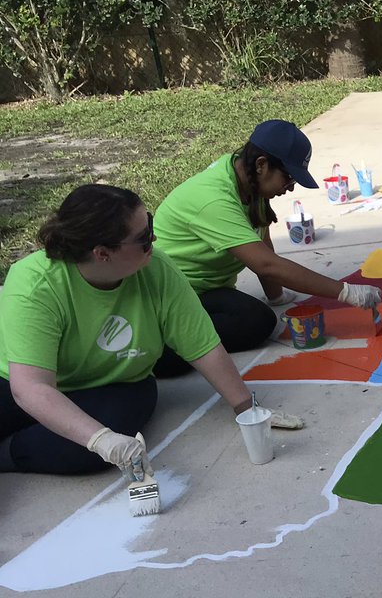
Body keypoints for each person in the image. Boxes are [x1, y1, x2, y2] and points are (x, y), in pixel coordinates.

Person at [0, 184, 287, 475]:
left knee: (88, 450)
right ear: (102, 253)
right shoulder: (35, 284)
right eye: (143, 238)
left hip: (117, 383)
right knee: (89, 437)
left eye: (149, 225)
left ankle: (9, 453)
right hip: (20, 384)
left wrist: (246, 408)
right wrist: (100, 439)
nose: (154, 239)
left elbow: (202, 345)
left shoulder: (156, 268)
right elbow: (31, 387)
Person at [151, 119, 382, 375]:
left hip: (204, 290)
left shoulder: (247, 180)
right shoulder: (213, 199)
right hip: (168, 295)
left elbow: (262, 239)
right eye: (289, 177)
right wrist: (345, 292)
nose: (290, 188)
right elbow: (266, 264)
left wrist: (276, 297)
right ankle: (159, 348)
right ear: (262, 164)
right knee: (254, 324)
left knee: (255, 319)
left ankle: (184, 338)